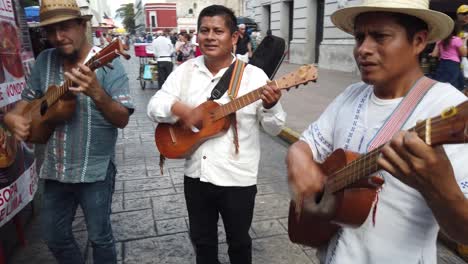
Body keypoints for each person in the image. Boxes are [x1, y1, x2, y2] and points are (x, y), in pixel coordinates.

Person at [286, 1, 468, 263]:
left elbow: (463, 233)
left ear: (418, 41)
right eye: (360, 37)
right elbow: (307, 143)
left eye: (380, 36)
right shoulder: (350, 94)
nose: (363, 49)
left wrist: (440, 187)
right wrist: (299, 159)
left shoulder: (447, 107)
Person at [147, 5, 286, 264]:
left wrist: (270, 105)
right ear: (197, 35)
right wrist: (179, 109)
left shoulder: (254, 77)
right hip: (196, 176)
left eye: (218, 31)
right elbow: (154, 105)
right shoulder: (185, 71)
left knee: (240, 243)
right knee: (202, 242)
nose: (210, 37)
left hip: (237, 179)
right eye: (204, 30)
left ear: (234, 38)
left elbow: (275, 127)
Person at [3, 0, 134, 263]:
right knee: (54, 236)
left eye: (65, 28)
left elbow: (122, 119)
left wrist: (97, 93)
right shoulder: (44, 60)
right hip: (55, 170)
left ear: (82, 26)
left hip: (95, 170)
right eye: (50, 31)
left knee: (100, 237)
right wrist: (12, 117)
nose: (58, 37)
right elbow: (26, 103)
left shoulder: (108, 62)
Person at [430, 22, 467, 90]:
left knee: (443, 86)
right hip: (453, 65)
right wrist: (464, 42)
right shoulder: (456, 40)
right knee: (454, 87)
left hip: (442, 64)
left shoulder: (441, 39)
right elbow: (464, 53)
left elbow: (434, 54)